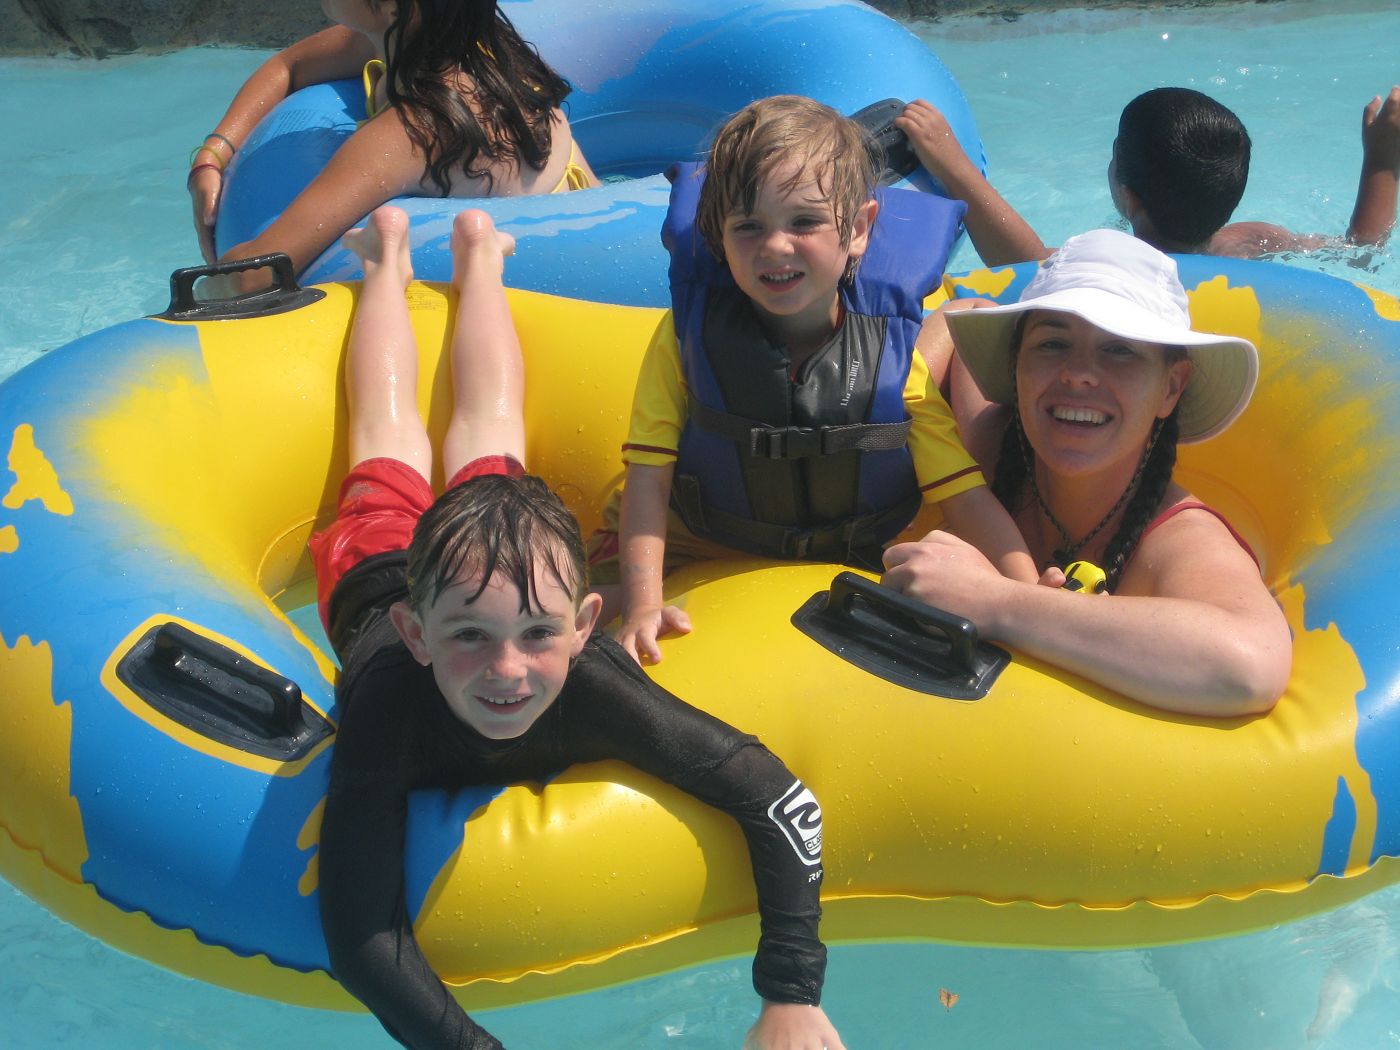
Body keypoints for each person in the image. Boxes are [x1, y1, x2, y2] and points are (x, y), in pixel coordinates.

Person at [311, 204, 844, 1050]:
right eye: (469, 639)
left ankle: (481, 259)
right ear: (416, 638)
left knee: (490, 432)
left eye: (538, 635)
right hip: (382, 569)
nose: (508, 671)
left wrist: (791, 993)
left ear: (586, 621)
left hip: (482, 563)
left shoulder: (591, 678)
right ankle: (385, 261)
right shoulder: (390, 700)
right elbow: (362, 941)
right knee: (387, 438)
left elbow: (775, 797)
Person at [595, 95, 1037, 665]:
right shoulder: (684, 340)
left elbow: (964, 494)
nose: (775, 246)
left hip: (852, 548)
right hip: (693, 542)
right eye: (748, 226)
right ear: (718, 236)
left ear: (858, 228)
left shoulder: (892, 357)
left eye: (804, 221)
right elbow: (649, 479)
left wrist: (1026, 596)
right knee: (583, 614)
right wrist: (642, 606)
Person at [882, 228, 1292, 717]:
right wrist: (888, 408)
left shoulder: (1177, 539)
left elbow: (1250, 665)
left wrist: (996, 602)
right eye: (1053, 344)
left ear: (1171, 388)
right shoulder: (991, 445)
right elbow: (966, 309)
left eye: (1119, 349)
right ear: (1016, 367)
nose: (1078, 373)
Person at [187, 0, 596, 272]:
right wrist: (213, 155)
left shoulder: (412, 130)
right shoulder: (459, 40)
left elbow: (257, 273)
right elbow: (288, 66)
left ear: (395, 7)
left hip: (548, 272)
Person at [896, 85, 1400, 266]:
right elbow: (1360, 250)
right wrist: (1382, 162)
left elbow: (1024, 261)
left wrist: (952, 162)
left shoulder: (1109, 257)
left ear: (1128, 195)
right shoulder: (1252, 241)